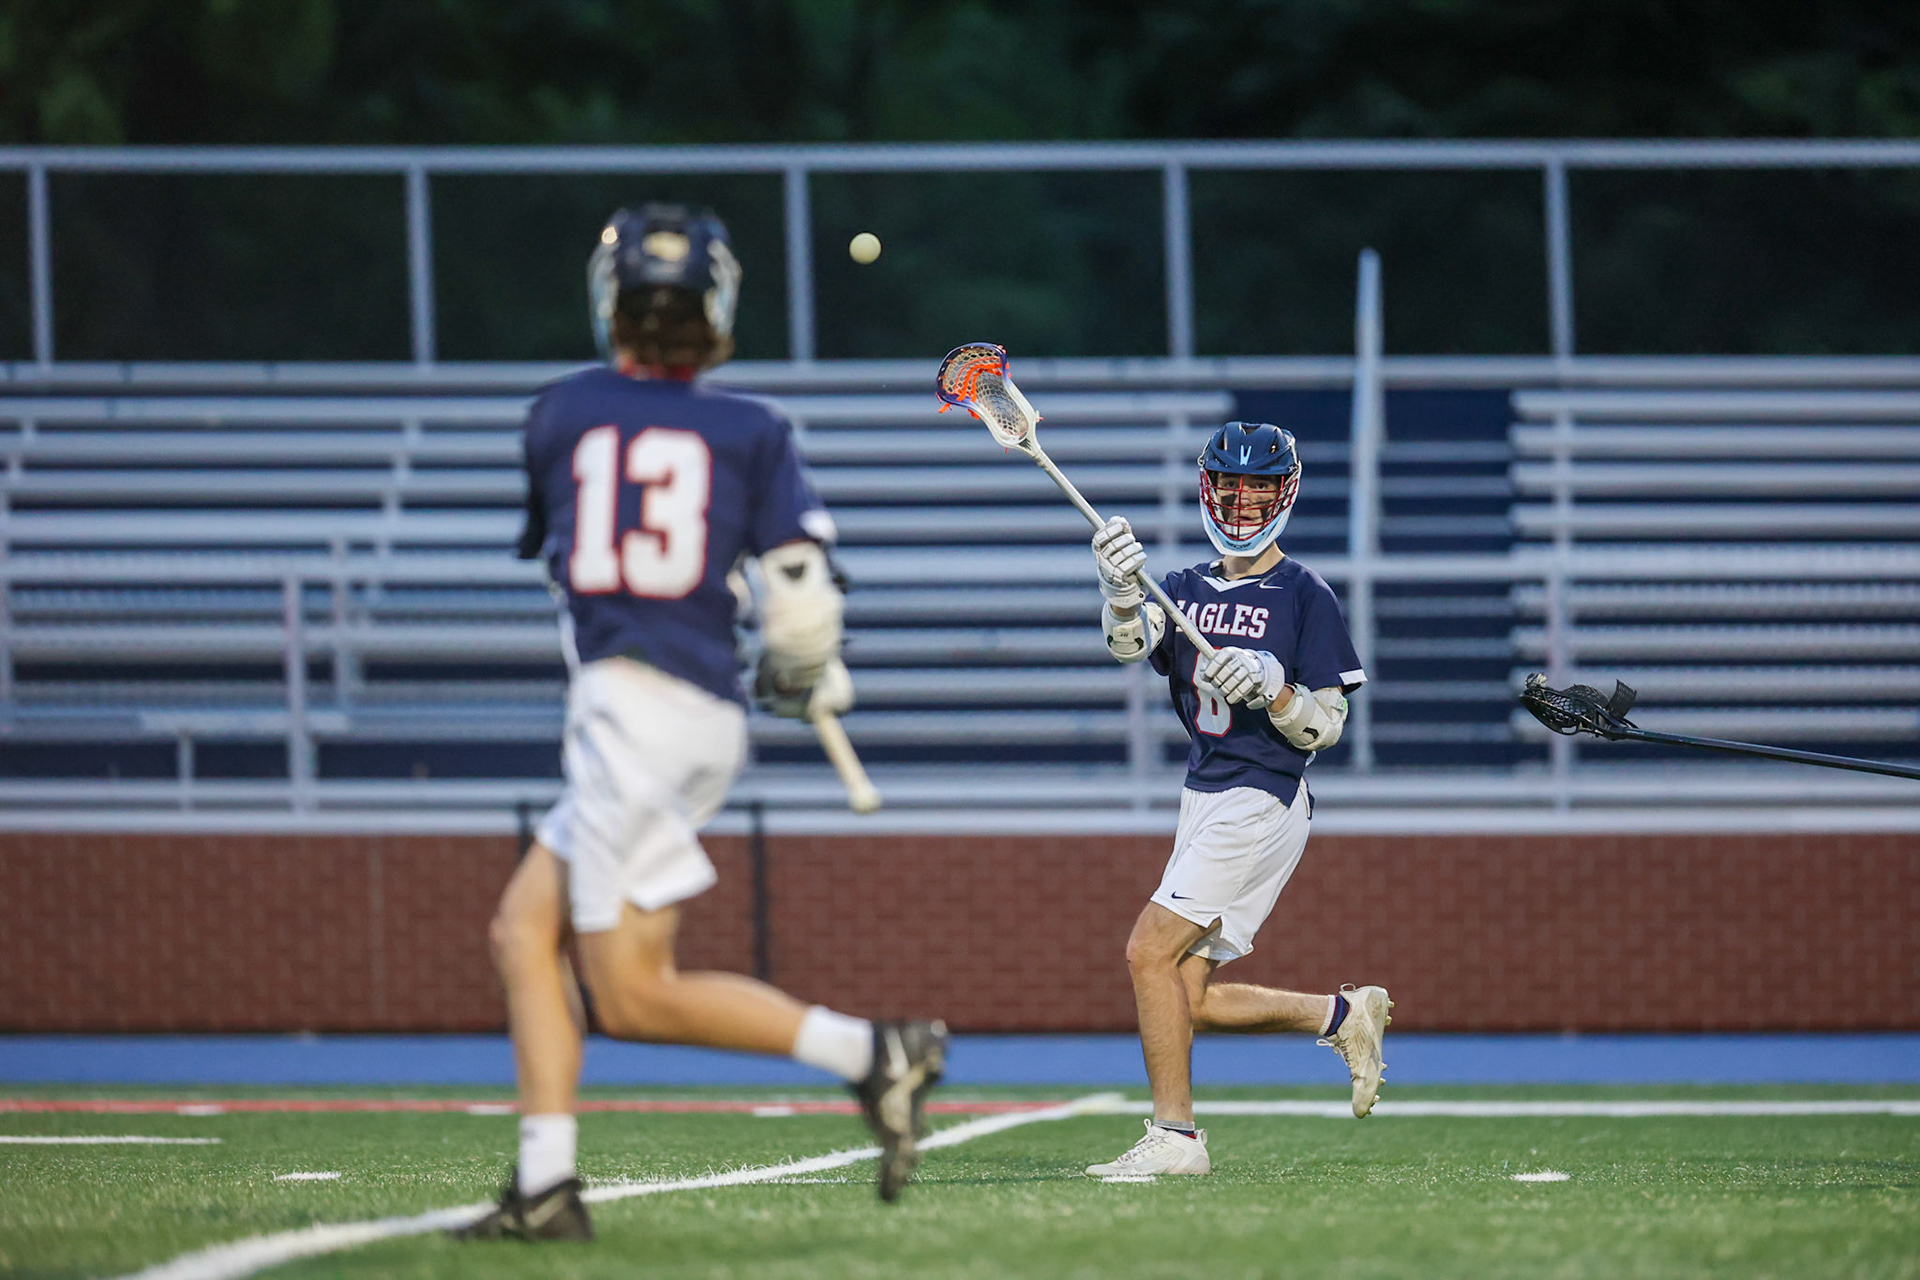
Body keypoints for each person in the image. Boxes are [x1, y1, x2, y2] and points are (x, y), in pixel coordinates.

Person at [455, 204, 947, 1242]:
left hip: (630, 709)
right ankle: (545, 1183)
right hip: (687, 709)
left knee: (632, 995)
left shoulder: (558, 413)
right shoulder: (753, 427)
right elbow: (803, 601)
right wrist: (798, 664)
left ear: (611, 299)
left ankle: (872, 1051)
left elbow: (581, 544)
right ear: (716, 304)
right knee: (522, 929)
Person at [1083, 421, 1390, 1178]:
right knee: (1189, 997)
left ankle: (1176, 1138)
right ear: (1209, 487)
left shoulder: (1304, 593)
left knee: (1145, 952)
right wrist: (1120, 590)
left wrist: (1276, 688)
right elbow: (1129, 646)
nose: (1243, 499)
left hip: (1262, 793)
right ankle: (1345, 1016)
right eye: (1231, 484)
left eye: (1258, 485)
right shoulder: (1181, 586)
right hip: (1205, 793)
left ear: (1283, 491)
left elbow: (1325, 727)